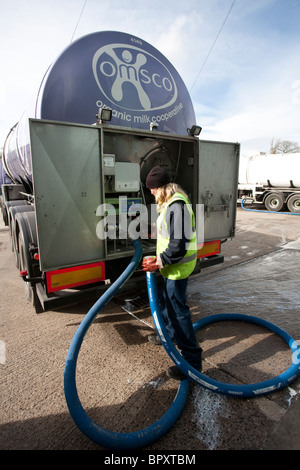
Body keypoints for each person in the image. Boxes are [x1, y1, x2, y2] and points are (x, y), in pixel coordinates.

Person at [142, 166, 202, 380]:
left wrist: (159, 262)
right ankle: (168, 335)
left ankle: (192, 362)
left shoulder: (178, 207)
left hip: (177, 267)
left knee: (178, 312)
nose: (150, 192)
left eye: (152, 189)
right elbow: (169, 234)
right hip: (170, 266)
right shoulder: (170, 204)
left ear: (161, 188)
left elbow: (178, 245)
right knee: (166, 303)